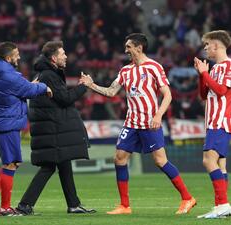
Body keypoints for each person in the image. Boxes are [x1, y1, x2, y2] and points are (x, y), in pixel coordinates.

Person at [80, 33, 196, 215]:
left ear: (139, 47)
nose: (125, 50)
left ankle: (187, 198)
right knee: (119, 158)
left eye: (128, 47)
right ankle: (124, 206)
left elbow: (168, 95)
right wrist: (91, 85)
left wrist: (158, 115)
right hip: (131, 123)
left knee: (160, 161)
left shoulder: (154, 67)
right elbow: (111, 92)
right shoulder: (125, 70)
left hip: (150, 122)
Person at [15, 41, 96, 215]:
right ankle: (24, 205)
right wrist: (84, 86)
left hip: (50, 127)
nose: (66, 56)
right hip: (52, 128)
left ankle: (73, 204)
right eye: (62, 53)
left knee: (63, 164)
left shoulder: (47, 74)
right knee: (49, 167)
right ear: (53, 58)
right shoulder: (48, 75)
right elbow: (65, 98)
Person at [0, 42, 52, 216]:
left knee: (11, 162)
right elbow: (26, 89)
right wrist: (44, 87)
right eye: (16, 54)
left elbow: (20, 87)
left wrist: (28, 85)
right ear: (8, 58)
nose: (19, 57)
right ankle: (5, 208)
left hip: (5, 120)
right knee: (11, 164)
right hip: (8, 123)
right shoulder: (9, 76)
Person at [194, 30, 231, 219]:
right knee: (219, 165)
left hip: (221, 121)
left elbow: (221, 90)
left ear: (216, 45)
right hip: (212, 121)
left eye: (207, 45)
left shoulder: (229, 66)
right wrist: (202, 75)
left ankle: (223, 204)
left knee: (208, 160)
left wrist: (204, 73)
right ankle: (220, 207)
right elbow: (203, 95)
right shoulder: (216, 68)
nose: (205, 48)